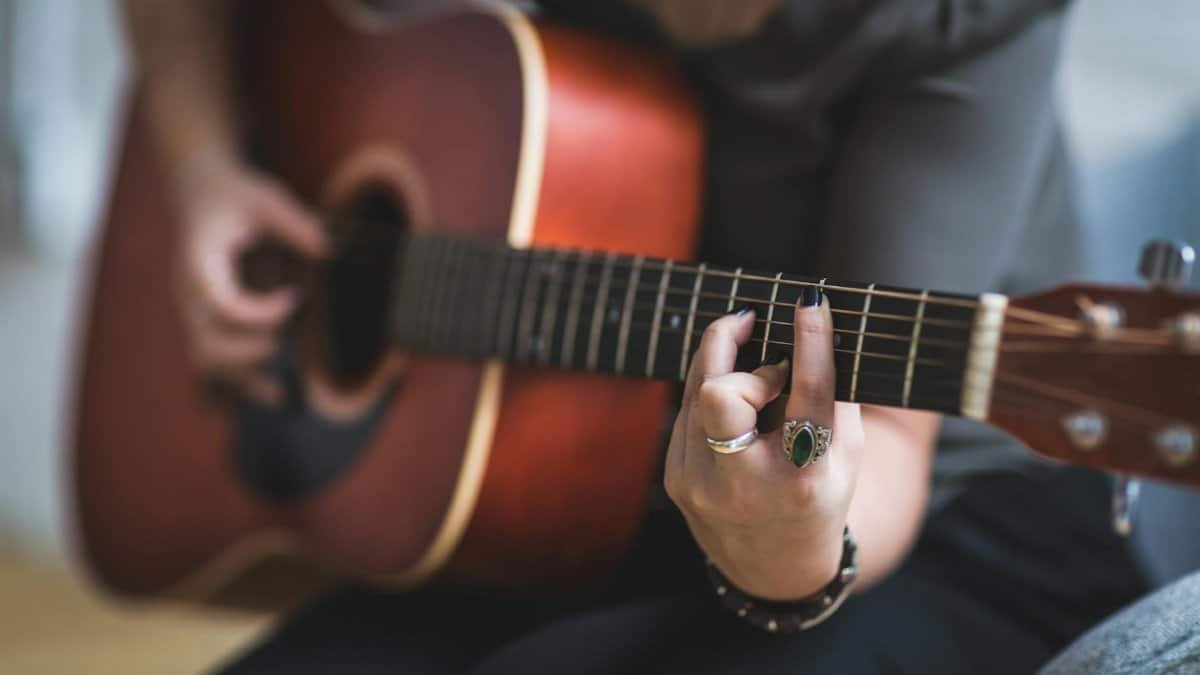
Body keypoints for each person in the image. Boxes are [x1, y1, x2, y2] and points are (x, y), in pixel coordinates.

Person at [123, 1, 1150, 672]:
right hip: (579, 478)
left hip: (937, 529)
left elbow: (882, 438)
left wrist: (792, 545)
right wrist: (204, 164)